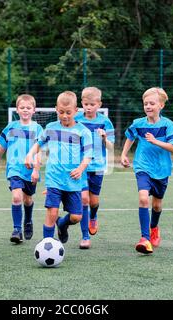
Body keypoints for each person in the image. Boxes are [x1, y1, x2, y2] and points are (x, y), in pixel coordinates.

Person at [25, 91, 92, 244]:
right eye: (61, 112)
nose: (65, 116)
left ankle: (62, 224)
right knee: (52, 212)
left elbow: (88, 156)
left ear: (76, 110)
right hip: (54, 179)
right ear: (56, 109)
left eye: (68, 112)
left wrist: (81, 169)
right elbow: (38, 144)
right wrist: (29, 154)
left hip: (73, 181)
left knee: (76, 217)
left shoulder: (83, 132)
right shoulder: (50, 127)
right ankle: (47, 243)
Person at [121, 87, 173, 254]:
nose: (148, 106)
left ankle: (154, 227)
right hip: (142, 166)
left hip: (162, 169)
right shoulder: (138, 123)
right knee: (143, 198)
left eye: (152, 103)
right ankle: (145, 238)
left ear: (161, 105)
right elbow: (130, 137)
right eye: (145, 103)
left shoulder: (168, 125)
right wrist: (124, 154)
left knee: (157, 205)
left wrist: (155, 141)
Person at [0, 94, 43, 244]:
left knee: (28, 199)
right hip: (14, 168)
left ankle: (28, 220)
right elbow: (2, 146)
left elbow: (39, 151)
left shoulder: (38, 129)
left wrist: (36, 170)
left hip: (30, 170)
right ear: (17, 110)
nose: (25, 110)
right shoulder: (11, 127)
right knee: (16, 197)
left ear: (34, 110)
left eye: (28, 108)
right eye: (22, 107)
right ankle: (17, 230)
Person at [75, 87, 115, 249]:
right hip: (80, 165)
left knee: (93, 201)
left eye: (92, 104)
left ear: (99, 104)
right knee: (84, 199)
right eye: (86, 104)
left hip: (98, 166)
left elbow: (111, 147)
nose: (89, 107)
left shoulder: (105, 122)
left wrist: (105, 138)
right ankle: (85, 236)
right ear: (82, 104)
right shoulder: (76, 118)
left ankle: (94, 216)